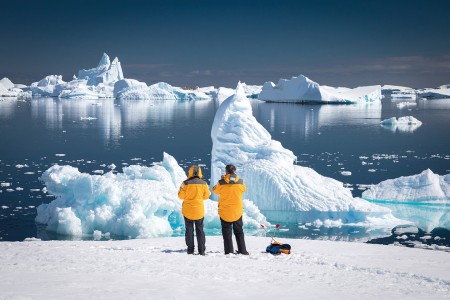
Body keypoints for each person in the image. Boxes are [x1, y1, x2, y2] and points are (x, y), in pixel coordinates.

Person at [212, 164, 249, 255]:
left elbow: (215, 190)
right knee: (239, 232)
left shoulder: (221, 182)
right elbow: (244, 189)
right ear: (235, 171)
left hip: (225, 211)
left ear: (226, 171)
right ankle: (242, 250)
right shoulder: (240, 182)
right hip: (237, 211)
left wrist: (222, 179)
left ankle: (229, 251)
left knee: (227, 232)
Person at [178, 165, 211, 255]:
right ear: (200, 172)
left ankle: (190, 249)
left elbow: (180, 196)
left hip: (188, 210)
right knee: (200, 230)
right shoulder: (204, 183)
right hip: (199, 211)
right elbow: (207, 196)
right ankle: (201, 250)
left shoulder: (185, 183)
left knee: (189, 230)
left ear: (190, 172)